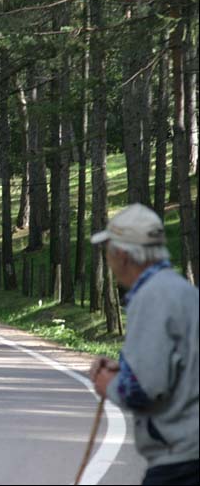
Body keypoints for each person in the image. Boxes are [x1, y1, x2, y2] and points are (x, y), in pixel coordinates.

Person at [88, 203, 199, 485]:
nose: (109, 261)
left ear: (123, 255)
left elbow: (144, 390)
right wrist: (123, 368)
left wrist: (108, 384)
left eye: (109, 251)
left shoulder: (150, 298)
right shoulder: (182, 290)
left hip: (180, 460)